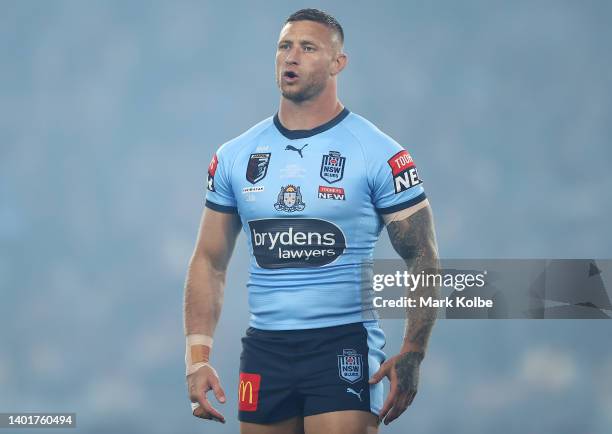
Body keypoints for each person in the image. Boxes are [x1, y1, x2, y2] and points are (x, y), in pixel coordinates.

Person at [183, 8, 439, 434]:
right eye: (285, 46)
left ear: (339, 63)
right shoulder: (235, 156)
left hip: (342, 343)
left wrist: (413, 351)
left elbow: (422, 256)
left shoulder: (379, 153)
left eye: (308, 47)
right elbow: (209, 261)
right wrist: (198, 358)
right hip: (265, 347)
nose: (292, 57)